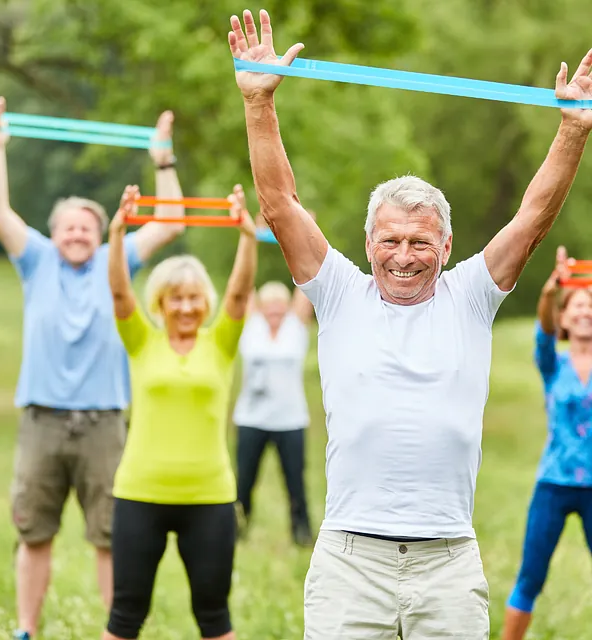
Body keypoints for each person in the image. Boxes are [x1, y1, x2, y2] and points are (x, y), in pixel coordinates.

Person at [228, 9, 592, 639]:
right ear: (368, 243)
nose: (403, 255)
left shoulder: (471, 295)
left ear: (447, 246)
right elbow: (280, 205)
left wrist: (573, 131)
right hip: (350, 559)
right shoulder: (339, 291)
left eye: (420, 241)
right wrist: (259, 104)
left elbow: (532, 219)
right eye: (390, 239)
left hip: (447, 560)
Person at [0, 97, 186, 640]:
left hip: (103, 423)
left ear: (101, 234)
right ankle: (26, 629)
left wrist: (162, 159)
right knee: (34, 534)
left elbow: (170, 223)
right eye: (68, 227)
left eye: (86, 228)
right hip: (42, 421)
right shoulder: (37, 259)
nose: (76, 235)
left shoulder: (117, 261)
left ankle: (115, 633)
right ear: (54, 233)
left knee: (110, 537)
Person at [102, 183, 257, 640]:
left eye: (194, 298)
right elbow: (117, 295)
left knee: (214, 617)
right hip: (139, 494)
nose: (186, 307)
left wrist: (247, 237)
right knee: (125, 616)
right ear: (161, 302)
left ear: (204, 302)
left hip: (208, 498)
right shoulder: (141, 340)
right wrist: (116, 234)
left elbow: (240, 296)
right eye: (176, 298)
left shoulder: (221, 343)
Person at [502, 247, 592, 640]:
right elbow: (543, 329)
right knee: (531, 575)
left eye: (591, 305)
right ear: (564, 318)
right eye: (576, 306)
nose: (585, 311)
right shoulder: (552, 363)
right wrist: (550, 292)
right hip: (553, 484)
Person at [233, 214, 315, 545]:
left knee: (295, 481)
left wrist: (305, 232)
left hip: (290, 420)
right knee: (244, 482)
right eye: (270, 305)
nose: (275, 311)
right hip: (251, 418)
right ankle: (236, 532)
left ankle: (301, 535)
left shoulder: (296, 327)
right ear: (262, 307)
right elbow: (243, 284)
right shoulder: (250, 325)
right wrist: (250, 236)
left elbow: (308, 276)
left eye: (281, 305)